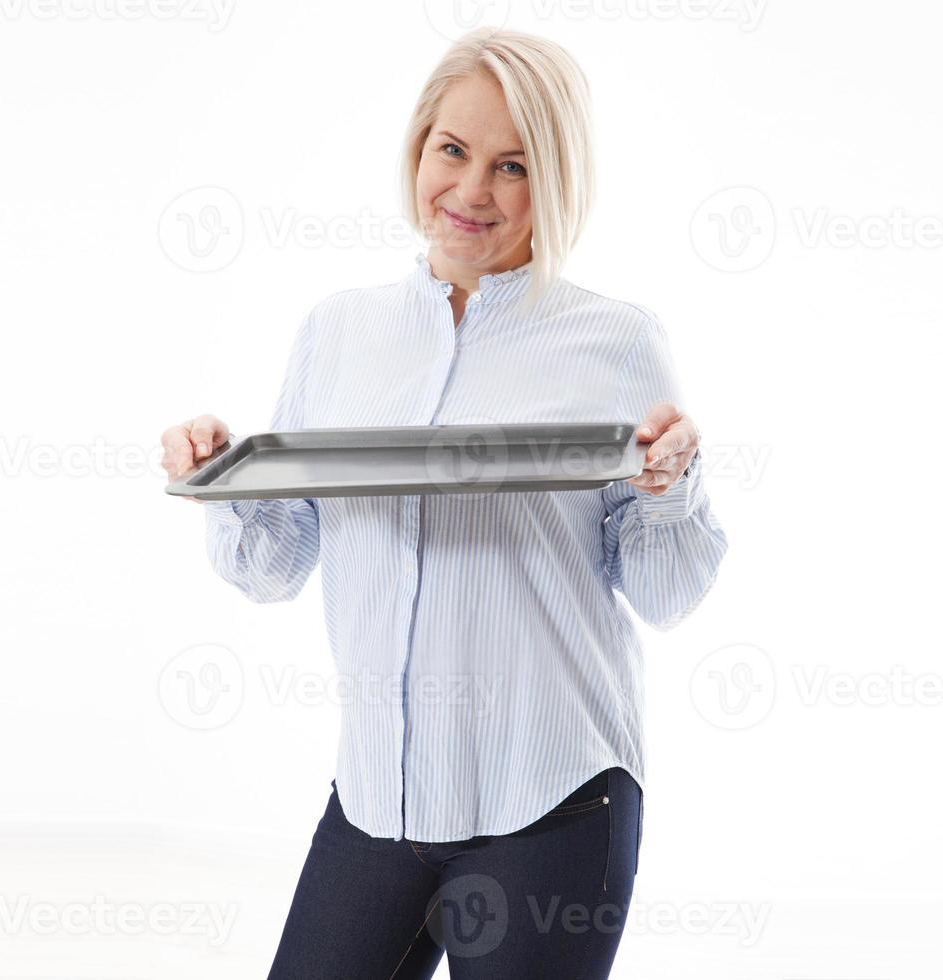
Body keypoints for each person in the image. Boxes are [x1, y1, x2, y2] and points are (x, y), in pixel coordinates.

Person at [160, 26, 728, 980]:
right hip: (377, 802)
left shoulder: (615, 340)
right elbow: (274, 565)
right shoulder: (338, 332)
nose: (469, 191)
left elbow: (666, 592)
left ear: (554, 179)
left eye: (511, 165)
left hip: (551, 800)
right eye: (452, 150)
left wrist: (671, 488)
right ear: (418, 147)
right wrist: (224, 479)